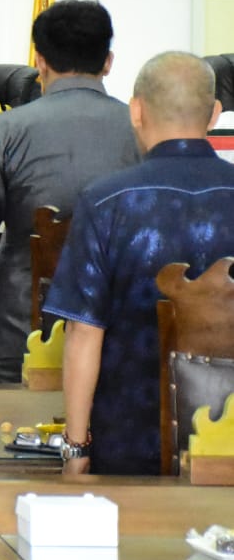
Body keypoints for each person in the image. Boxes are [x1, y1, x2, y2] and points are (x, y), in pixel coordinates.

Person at [46, 52, 234, 475]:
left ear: (136, 111)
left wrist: (76, 448)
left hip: (127, 444)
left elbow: (83, 331)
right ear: (215, 114)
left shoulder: (105, 202)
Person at [0, 0, 140, 383]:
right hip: (121, 344)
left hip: (22, 342)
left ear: (40, 62)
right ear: (108, 62)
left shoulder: (4, 131)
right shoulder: (141, 130)